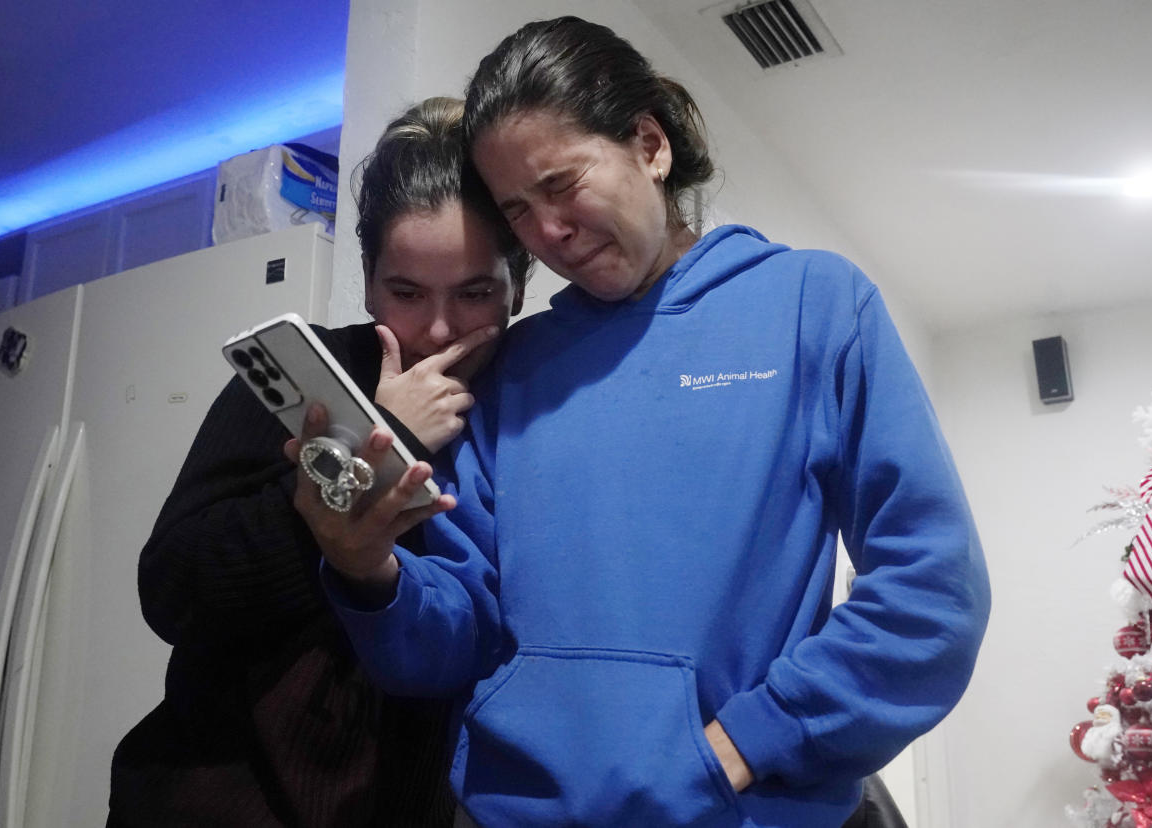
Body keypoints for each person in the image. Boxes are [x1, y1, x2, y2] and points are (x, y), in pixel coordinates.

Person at [319, 16, 991, 828]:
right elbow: (458, 633)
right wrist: (369, 572)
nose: (548, 233)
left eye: (561, 185)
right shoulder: (518, 366)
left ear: (649, 144)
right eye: (518, 211)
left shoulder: (814, 307)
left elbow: (932, 592)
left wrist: (748, 744)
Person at [107, 96, 530, 828]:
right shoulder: (317, 372)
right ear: (368, 282)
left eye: (474, 293)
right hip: (217, 796)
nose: (436, 328)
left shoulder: (526, 402)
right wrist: (381, 443)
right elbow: (173, 587)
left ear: (517, 286)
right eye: (405, 292)